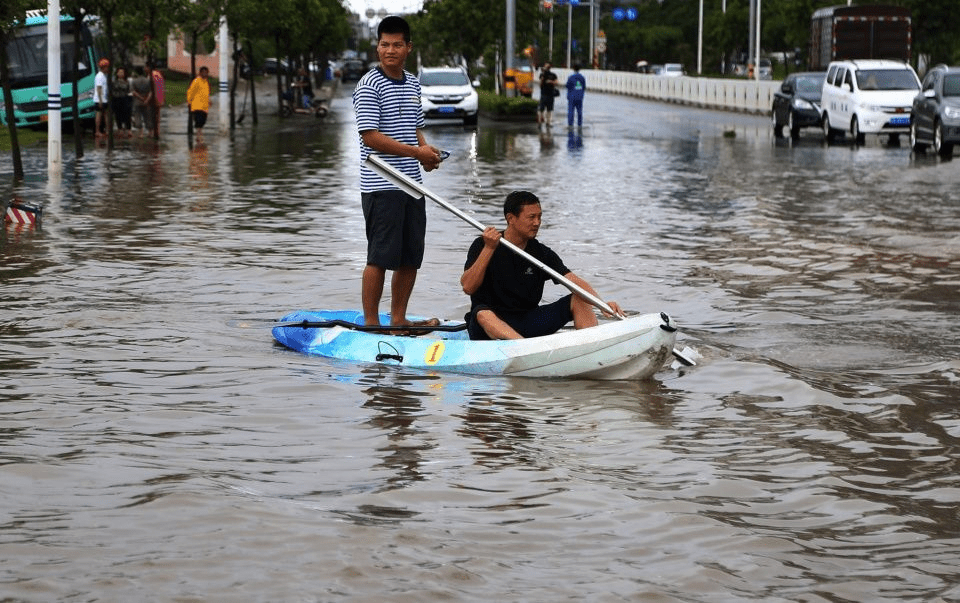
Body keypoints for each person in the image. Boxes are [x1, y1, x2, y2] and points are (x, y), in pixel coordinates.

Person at [352, 15, 442, 330]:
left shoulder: (413, 82)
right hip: (381, 184)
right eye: (384, 44)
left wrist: (427, 155)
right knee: (379, 257)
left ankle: (399, 318)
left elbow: (415, 128)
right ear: (378, 47)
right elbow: (370, 136)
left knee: (409, 257)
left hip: (412, 186)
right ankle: (372, 323)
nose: (390, 50)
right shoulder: (369, 84)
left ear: (408, 48)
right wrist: (415, 152)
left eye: (397, 45)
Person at [461, 190, 622, 340]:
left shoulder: (541, 252)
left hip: (527, 320)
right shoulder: (483, 244)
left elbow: (573, 280)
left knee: (580, 298)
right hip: (488, 325)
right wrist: (489, 248)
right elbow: (468, 287)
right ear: (511, 218)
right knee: (482, 313)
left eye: (539, 217)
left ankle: (591, 347)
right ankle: (524, 349)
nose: (537, 223)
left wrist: (602, 304)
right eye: (531, 217)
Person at [186, 66, 210, 143]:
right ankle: (199, 136)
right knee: (198, 122)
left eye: (206, 72)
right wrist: (189, 101)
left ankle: (199, 135)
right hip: (197, 106)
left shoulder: (206, 82)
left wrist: (209, 101)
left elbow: (205, 94)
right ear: (200, 73)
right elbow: (190, 91)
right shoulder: (196, 81)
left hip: (204, 107)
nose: (205, 74)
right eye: (203, 72)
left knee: (202, 122)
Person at [131, 66, 154, 137]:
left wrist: (140, 98)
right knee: (148, 116)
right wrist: (147, 99)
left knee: (138, 117)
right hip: (147, 100)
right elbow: (151, 91)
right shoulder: (147, 80)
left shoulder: (134, 81)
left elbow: (134, 92)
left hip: (137, 101)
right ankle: (150, 132)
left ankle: (141, 133)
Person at [111, 66, 133, 138]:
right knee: (118, 115)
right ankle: (120, 129)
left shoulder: (127, 82)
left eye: (122, 72)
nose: (120, 74)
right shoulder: (114, 82)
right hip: (116, 99)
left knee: (127, 114)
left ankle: (128, 129)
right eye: (119, 72)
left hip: (125, 99)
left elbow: (129, 91)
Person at [537, 62, 559, 127]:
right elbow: (540, 84)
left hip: (550, 94)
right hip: (543, 93)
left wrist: (550, 81)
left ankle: (548, 123)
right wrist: (543, 79)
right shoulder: (542, 75)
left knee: (549, 109)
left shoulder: (553, 75)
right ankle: (540, 122)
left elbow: (556, 82)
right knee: (541, 109)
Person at [566, 63, 586, 128]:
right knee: (579, 111)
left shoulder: (571, 77)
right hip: (579, 96)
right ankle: (579, 124)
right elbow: (584, 87)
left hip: (572, 96)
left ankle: (570, 124)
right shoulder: (582, 77)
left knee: (571, 111)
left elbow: (567, 86)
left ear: (573, 69)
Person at [93, 58, 110, 138]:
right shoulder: (99, 76)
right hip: (100, 99)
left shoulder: (103, 76)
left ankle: (106, 130)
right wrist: (100, 100)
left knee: (105, 115)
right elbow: (99, 88)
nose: (108, 68)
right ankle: (97, 131)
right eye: (107, 67)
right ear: (104, 67)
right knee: (99, 115)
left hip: (103, 99)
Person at [150, 63, 165, 140]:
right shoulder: (159, 75)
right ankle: (157, 131)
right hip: (159, 98)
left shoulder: (153, 74)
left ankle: (154, 132)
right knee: (157, 116)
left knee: (153, 116)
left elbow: (155, 87)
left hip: (155, 98)